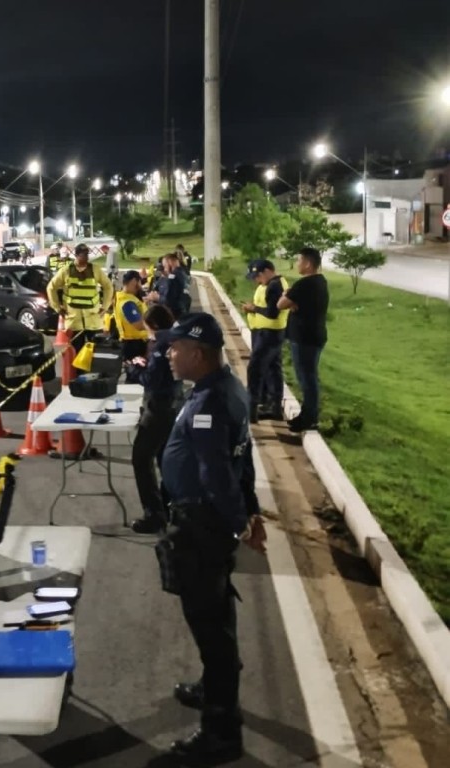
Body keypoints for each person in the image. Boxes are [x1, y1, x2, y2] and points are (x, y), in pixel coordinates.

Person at [158, 312, 266, 764]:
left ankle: (221, 732)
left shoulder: (206, 406)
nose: (168, 353)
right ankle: (213, 685)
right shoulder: (228, 388)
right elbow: (243, 459)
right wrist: (251, 511)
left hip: (201, 527)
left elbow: (217, 474)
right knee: (216, 612)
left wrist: (241, 520)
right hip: (210, 525)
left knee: (209, 622)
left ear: (197, 354)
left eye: (175, 347)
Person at [129, 304, 179, 534]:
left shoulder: (160, 346)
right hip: (172, 405)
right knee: (165, 458)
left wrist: (135, 370)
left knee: (141, 458)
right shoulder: (175, 338)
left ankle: (154, 515)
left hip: (158, 409)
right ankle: (169, 506)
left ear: (155, 326)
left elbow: (152, 380)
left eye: (148, 328)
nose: (147, 332)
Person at [277, 247, 329, 432]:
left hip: (304, 338)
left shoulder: (304, 284)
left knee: (306, 378)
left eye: (299, 260)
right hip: (314, 336)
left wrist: (286, 295)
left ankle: (309, 418)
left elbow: (280, 304)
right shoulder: (320, 281)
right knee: (309, 377)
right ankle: (307, 414)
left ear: (308, 263)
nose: (297, 263)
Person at [241, 259, 289, 423]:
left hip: (268, 334)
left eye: (259, 275)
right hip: (271, 332)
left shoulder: (274, 286)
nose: (257, 279)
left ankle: (251, 410)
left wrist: (253, 309)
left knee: (255, 369)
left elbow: (272, 312)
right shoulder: (275, 283)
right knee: (273, 369)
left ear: (269, 271)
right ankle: (274, 408)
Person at [46, 243, 114, 349]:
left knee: (96, 355)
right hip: (74, 322)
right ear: (77, 255)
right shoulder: (66, 270)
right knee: (77, 355)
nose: (86, 257)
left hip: (93, 321)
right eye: (83, 255)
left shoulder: (95, 269)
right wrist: (57, 308)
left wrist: (105, 307)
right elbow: (51, 288)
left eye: (87, 255)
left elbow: (108, 287)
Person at [113, 270, 149, 361]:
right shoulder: (128, 303)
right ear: (134, 281)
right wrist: (157, 325)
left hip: (131, 343)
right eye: (140, 282)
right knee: (137, 372)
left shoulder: (122, 297)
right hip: (134, 345)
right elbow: (138, 325)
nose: (141, 286)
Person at [148, 252, 188, 319]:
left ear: (170, 262)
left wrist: (157, 297)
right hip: (178, 312)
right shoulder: (180, 273)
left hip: (173, 314)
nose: (164, 268)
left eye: (164, 266)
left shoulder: (174, 277)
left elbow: (169, 300)